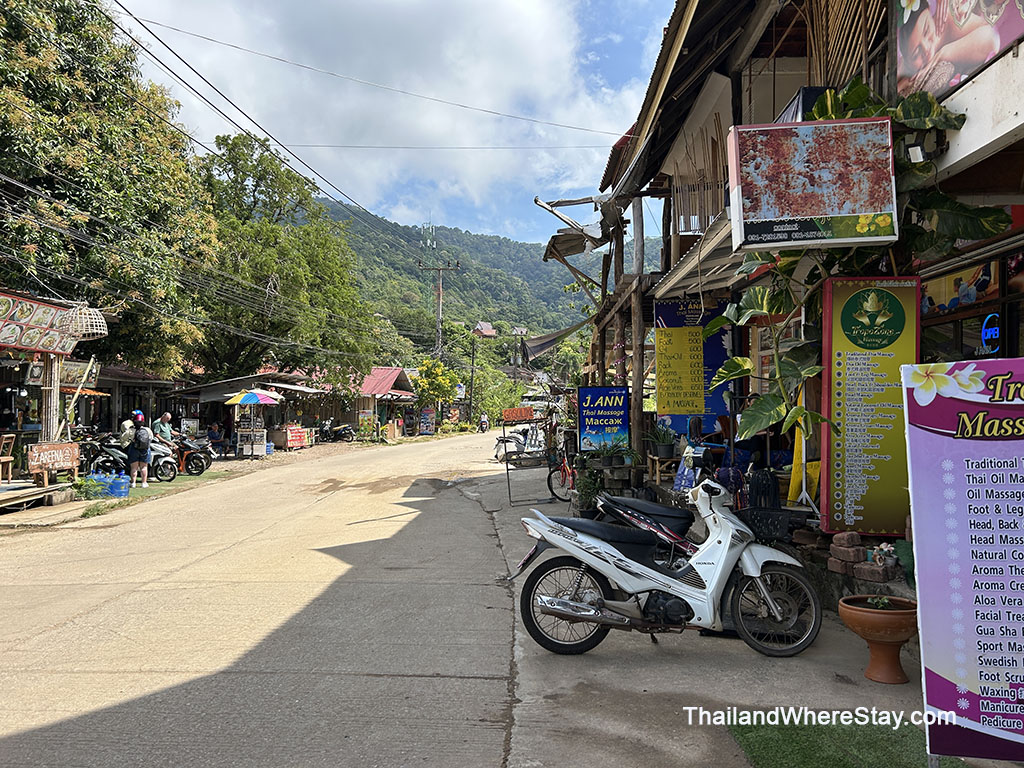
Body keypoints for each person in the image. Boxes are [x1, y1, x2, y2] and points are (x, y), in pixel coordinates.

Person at [125, 410, 152, 488]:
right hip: (145, 450)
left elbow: (124, 438)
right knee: (144, 467)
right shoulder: (147, 430)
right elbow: (151, 438)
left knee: (134, 468)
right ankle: (144, 483)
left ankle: (133, 483)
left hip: (134, 449)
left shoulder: (131, 430)